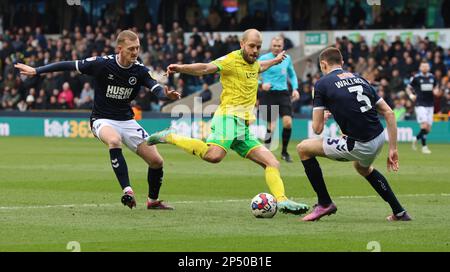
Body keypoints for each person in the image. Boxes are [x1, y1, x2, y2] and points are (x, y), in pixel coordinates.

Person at [147, 29, 309, 215]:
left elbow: (259, 67)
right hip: (228, 117)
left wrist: (274, 61)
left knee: (272, 162)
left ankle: (282, 200)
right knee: (214, 156)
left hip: (243, 126)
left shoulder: (254, 63)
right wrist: (181, 68)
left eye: (258, 47)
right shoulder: (231, 60)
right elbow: (206, 68)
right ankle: (171, 136)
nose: (255, 50)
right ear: (242, 44)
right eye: (251, 46)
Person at [15, 30, 181, 210]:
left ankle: (153, 201)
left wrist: (165, 95)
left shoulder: (139, 70)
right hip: (102, 119)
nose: (135, 52)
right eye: (131, 48)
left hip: (126, 120)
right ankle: (128, 190)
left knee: (157, 161)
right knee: (114, 140)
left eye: (137, 48)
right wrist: (36, 71)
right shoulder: (102, 64)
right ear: (119, 49)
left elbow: (154, 87)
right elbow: (69, 65)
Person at [297, 47, 411, 222]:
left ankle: (324, 203)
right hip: (379, 137)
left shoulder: (321, 84)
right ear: (342, 63)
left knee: (303, 148)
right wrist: (393, 149)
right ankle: (400, 212)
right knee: (362, 168)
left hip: (361, 144)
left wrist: (324, 117)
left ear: (323, 64)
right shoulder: (360, 79)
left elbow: (317, 128)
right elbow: (388, 113)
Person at [259, 36, 300, 163]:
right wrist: (261, 84)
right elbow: (252, 75)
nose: (277, 48)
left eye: (279, 46)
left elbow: (292, 74)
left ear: (283, 47)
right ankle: (266, 152)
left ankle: (284, 152)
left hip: (283, 93)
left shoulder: (287, 58)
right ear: (271, 46)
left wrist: (295, 88)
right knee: (271, 125)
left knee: (288, 123)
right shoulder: (263, 59)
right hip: (268, 94)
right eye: (274, 46)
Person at [406, 60, 439, 154]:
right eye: (423, 66)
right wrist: (411, 95)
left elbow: (436, 87)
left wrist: (436, 91)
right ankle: (424, 147)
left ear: (428, 67)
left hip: (430, 104)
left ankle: (416, 138)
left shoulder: (432, 77)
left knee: (428, 129)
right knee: (424, 125)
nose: (425, 68)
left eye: (426, 66)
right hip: (420, 104)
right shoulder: (416, 77)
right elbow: (408, 88)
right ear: (420, 68)